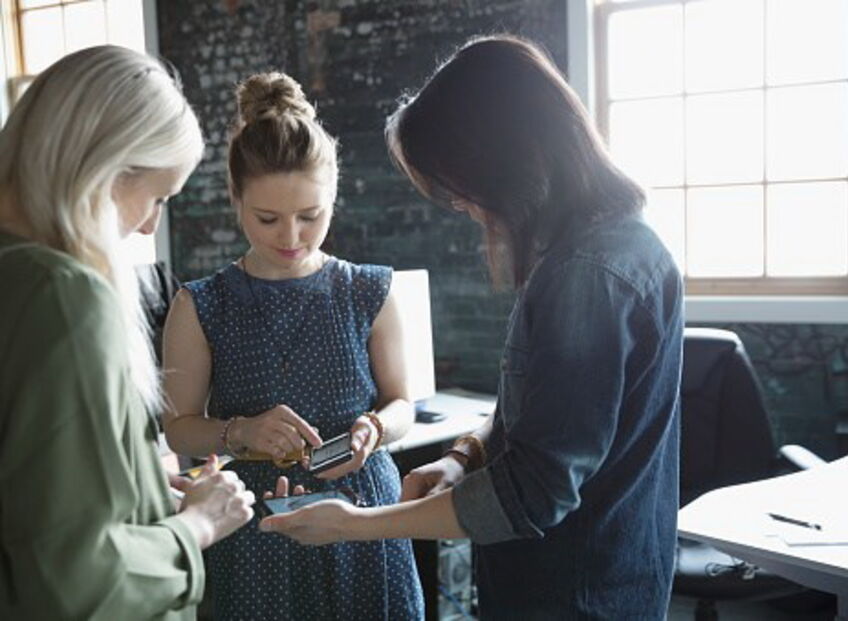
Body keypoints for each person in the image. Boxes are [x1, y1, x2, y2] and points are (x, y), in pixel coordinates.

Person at [259, 35, 685, 620]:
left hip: (575, 595)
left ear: (506, 162)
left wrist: (355, 525)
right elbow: (539, 416)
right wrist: (463, 455)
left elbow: (535, 492)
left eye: (462, 190)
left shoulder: (586, 275)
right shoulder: (609, 244)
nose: (464, 207)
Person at [0, 46, 255, 620]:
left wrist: (138, 487)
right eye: (158, 197)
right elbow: (74, 578)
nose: (148, 226)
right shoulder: (61, 295)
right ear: (105, 168)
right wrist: (199, 525)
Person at [160, 71, 424, 619]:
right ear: (235, 199)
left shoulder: (369, 290)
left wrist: (374, 429)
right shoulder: (199, 305)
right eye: (268, 219)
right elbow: (178, 427)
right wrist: (240, 432)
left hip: (361, 512)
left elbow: (402, 404)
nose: (291, 237)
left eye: (310, 216)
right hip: (254, 524)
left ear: (333, 196)